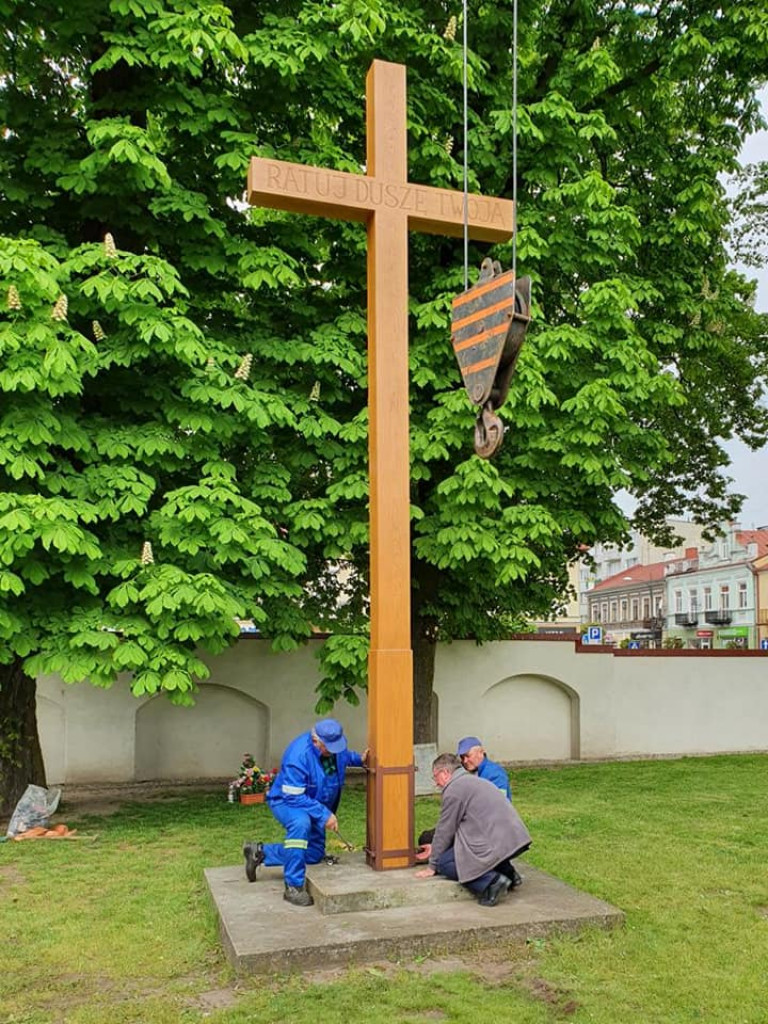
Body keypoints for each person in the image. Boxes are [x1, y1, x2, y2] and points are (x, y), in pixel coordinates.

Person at [242, 719, 366, 907]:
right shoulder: (298, 755)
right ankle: (293, 886)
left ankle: (260, 853)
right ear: (316, 741)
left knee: (314, 854)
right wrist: (324, 815)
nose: (333, 751)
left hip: (314, 803)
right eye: (329, 747)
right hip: (287, 801)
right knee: (301, 824)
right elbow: (294, 797)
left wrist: (360, 760)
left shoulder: (333, 747)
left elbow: (344, 756)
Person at [414, 753, 531, 907]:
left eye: (435, 777)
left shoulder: (454, 789)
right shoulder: (472, 781)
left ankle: (492, 882)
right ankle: (508, 873)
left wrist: (432, 865)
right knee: (461, 848)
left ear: (445, 773)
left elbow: (445, 830)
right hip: (514, 839)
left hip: (496, 843)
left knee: (446, 862)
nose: (436, 783)